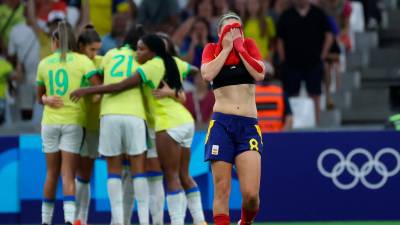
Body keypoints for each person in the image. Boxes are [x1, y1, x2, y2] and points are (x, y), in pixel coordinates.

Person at [69, 34, 200, 225]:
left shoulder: (151, 65)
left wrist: (86, 90)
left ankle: (138, 221)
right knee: (153, 175)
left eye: (141, 49)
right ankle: (144, 221)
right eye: (137, 48)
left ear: (154, 51)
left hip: (160, 125)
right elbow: (195, 72)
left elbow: (119, 86)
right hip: (163, 123)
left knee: (160, 176)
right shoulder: (168, 63)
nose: (137, 52)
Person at [201, 12, 265, 225]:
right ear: (219, 33)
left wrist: (239, 47)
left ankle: (245, 222)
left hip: (247, 126)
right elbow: (207, 75)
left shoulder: (249, 45)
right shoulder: (212, 49)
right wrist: (226, 48)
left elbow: (259, 73)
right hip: (222, 124)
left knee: (251, 196)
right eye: (227, 29)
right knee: (222, 190)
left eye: (236, 28)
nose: (232, 32)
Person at [36, 21, 99, 225]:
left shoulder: (44, 63)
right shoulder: (82, 62)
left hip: (50, 122)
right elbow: (100, 87)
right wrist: (88, 95)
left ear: (54, 42)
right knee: (68, 174)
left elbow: (40, 97)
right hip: (74, 122)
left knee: (51, 174)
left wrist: (46, 99)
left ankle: (45, 221)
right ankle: (70, 221)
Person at [90, 24, 150, 225]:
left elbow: (96, 75)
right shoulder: (143, 59)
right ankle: (143, 221)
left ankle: (118, 220)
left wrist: (99, 92)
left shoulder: (111, 54)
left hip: (109, 114)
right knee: (138, 171)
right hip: (135, 114)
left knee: (113, 171)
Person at [277, 0, 333, 124]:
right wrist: (283, 60)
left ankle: (316, 125)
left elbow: (329, 35)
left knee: (315, 95)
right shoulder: (286, 15)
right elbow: (280, 39)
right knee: (291, 97)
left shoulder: (318, 14)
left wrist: (322, 56)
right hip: (291, 64)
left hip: (313, 62)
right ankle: (291, 124)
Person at [74, 24, 102, 225]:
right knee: (83, 173)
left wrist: (97, 92)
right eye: (91, 49)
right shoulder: (76, 63)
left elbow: (104, 86)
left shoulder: (102, 62)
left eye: (97, 50)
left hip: (102, 125)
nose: (95, 54)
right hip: (82, 125)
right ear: (81, 46)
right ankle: (80, 219)